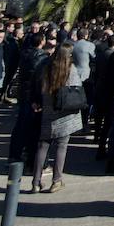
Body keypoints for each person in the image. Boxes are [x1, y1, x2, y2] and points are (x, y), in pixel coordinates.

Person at [31, 43, 83, 193]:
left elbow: (37, 84)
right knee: (61, 146)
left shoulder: (46, 67)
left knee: (43, 146)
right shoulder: (70, 69)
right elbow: (76, 88)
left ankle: (36, 181)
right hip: (64, 111)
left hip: (48, 108)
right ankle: (57, 180)